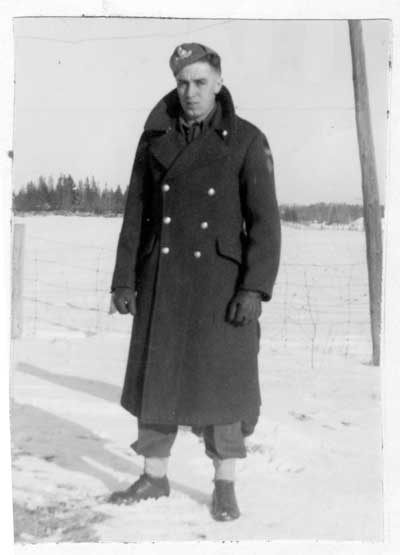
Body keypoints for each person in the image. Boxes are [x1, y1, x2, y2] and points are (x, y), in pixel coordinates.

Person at [108, 42, 281, 521]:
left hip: (221, 286)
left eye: (200, 82)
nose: (190, 93)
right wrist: (125, 278)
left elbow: (265, 223)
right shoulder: (154, 138)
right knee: (157, 381)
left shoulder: (247, 140)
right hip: (162, 277)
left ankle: (224, 485)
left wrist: (254, 288)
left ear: (219, 84)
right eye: (183, 83)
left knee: (223, 386)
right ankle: (154, 475)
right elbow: (136, 213)